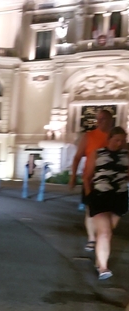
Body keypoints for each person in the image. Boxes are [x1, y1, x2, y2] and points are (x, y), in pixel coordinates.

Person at [82, 126, 128, 280]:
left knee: (107, 233)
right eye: (116, 140)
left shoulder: (126, 155)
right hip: (100, 196)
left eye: (122, 140)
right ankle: (103, 267)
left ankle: (99, 260)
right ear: (109, 139)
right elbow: (87, 176)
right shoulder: (98, 153)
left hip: (119, 197)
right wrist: (89, 197)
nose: (119, 143)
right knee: (105, 232)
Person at [69, 109, 114, 251]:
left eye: (103, 119)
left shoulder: (116, 137)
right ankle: (92, 239)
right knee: (91, 209)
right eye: (98, 119)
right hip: (92, 180)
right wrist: (73, 176)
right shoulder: (89, 136)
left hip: (111, 181)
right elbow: (77, 157)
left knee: (108, 211)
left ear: (111, 120)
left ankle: (103, 234)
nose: (99, 122)